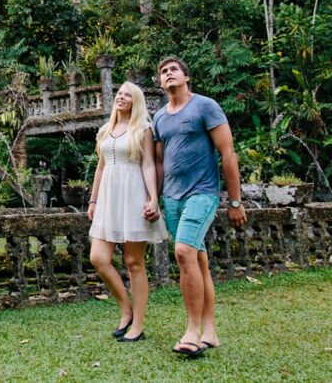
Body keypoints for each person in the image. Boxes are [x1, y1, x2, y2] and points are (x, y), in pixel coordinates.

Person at [152, 57, 247, 358]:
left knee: (182, 252)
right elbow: (157, 162)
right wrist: (154, 198)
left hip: (203, 193)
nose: (168, 74)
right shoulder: (159, 118)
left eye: (173, 70)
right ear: (160, 82)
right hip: (172, 198)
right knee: (198, 260)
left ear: (186, 76)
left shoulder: (205, 106)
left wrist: (235, 201)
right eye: (163, 72)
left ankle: (192, 331)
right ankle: (210, 331)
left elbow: (228, 153)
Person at [87, 81, 169, 343]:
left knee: (134, 263)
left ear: (136, 102)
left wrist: (153, 198)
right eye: (119, 93)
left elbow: (148, 165)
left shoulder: (143, 129)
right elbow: (100, 168)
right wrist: (93, 201)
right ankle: (126, 309)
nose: (121, 97)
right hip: (108, 199)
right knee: (98, 258)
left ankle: (139, 325)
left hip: (134, 195)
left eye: (127, 95)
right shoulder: (105, 130)